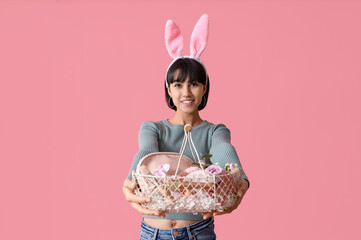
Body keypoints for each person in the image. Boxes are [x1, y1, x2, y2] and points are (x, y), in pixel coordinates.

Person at [122, 14, 249, 240]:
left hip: (197, 233)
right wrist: (133, 177)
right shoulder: (153, 128)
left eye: (194, 84)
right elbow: (147, 152)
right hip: (153, 234)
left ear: (205, 88)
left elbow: (223, 150)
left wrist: (241, 179)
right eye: (178, 85)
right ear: (169, 90)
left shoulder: (214, 131)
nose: (187, 93)